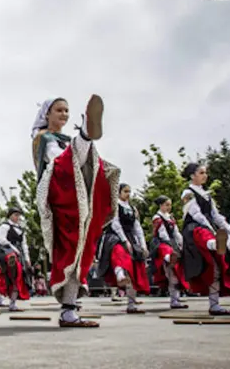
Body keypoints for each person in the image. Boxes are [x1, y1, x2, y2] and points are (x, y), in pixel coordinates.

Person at [33, 95, 120, 327]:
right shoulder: (43, 138)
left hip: (77, 194)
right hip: (59, 192)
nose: (63, 114)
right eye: (59, 110)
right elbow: (55, 164)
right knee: (70, 247)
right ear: (47, 114)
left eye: (66, 111)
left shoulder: (63, 140)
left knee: (79, 248)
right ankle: (86, 134)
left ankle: (69, 311)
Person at [180, 163, 230, 316]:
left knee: (216, 267)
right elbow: (196, 215)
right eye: (201, 172)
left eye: (205, 172)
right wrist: (213, 231)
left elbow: (217, 217)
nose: (205, 175)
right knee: (203, 234)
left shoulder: (207, 195)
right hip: (195, 229)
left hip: (209, 229)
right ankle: (213, 243)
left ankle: (214, 305)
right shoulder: (187, 193)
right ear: (192, 175)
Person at [96, 183, 149, 314]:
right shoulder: (115, 206)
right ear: (119, 192)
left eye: (129, 191)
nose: (128, 194)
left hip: (130, 237)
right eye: (125, 191)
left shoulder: (132, 208)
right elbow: (115, 224)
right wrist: (124, 240)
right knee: (119, 254)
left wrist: (143, 244)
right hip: (115, 237)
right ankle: (119, 275)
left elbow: (137, 227)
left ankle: (131, 304)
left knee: (135, 269)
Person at [150, 195, 189, 309]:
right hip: (161, 243)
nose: (169, 207)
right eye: (167, 205)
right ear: (161, 205)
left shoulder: (170, 218)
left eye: (170, 205)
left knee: (175, 274)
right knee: (170, 271)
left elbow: (176, 233)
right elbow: (162, 234)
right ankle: (168, 257)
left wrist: (181, 244)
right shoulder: (157, 217)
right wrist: (172, 245)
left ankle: (175, 300)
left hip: (172, 244)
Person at [0, 207, 32, 311]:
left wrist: (27, 258)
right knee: (11, 259)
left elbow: (24, 245)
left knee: (18, 277)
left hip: (19, 254)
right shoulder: (4, 226)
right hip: (6, 250)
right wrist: (14, 249)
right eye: (15, 215)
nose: (17, 217)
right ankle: (10, 263)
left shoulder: (21, 229)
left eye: (18, 215)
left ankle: (12, 303)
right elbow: (2, 240)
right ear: (10, 215)